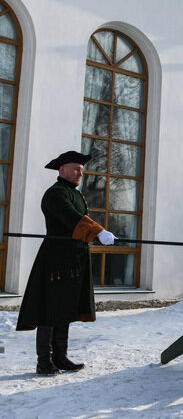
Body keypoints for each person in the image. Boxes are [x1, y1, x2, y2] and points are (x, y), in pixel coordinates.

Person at [16, 151, 115, 375]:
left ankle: (60, 357)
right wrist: (98, 232)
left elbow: (80, 222)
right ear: (62, 170)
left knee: (65, 308)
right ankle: (44, 362)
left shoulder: (74, 193)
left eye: (81, 169)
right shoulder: (56, 194)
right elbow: (71, 218)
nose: (81, 172)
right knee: (49, 310)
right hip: (55, 259)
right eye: (76, 168)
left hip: (73, 260)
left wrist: (99, 234)